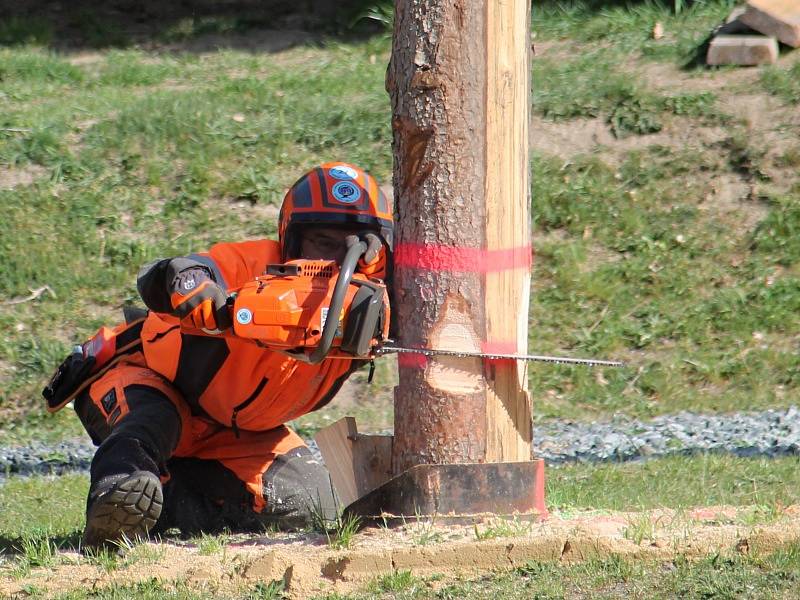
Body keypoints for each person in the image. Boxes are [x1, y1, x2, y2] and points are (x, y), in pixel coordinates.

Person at [43, 162, 393, 549]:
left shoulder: (377, 307)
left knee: (317, 504)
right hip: (144, 381)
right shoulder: (253, 266)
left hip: (238, 431)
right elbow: (171, 274)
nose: (335, 261)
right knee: (149, 426)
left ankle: (170, 499)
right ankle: (115, 505)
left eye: (354, 247)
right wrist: (198, 292)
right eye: (323, 243)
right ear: (291, 239)